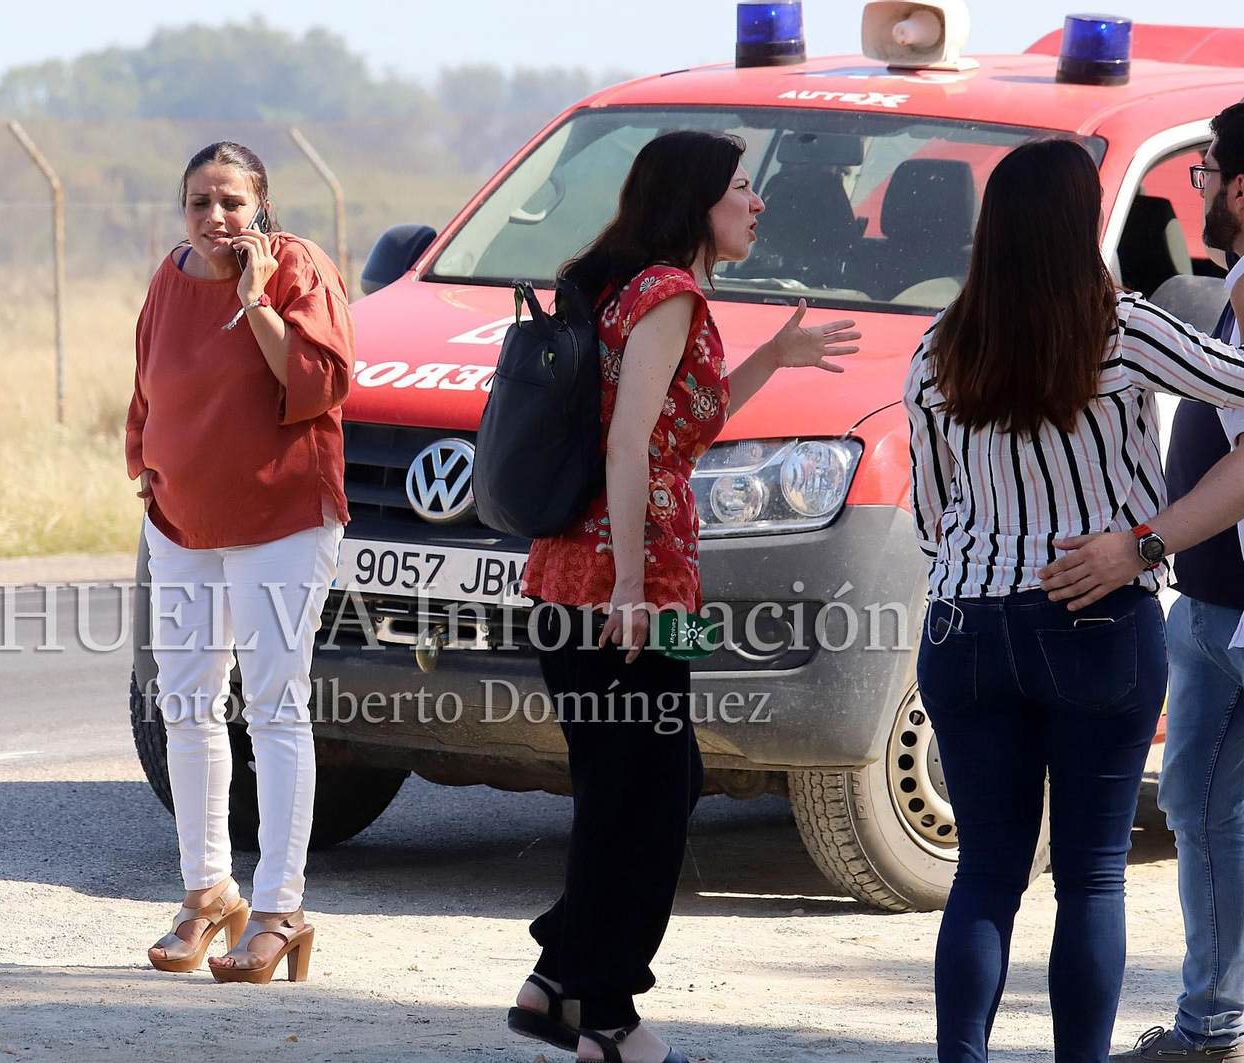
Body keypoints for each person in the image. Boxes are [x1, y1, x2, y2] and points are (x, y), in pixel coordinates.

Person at [507, 129, 862, 1063]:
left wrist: (774, 359)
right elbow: (630, 448)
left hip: (588, 576)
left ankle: (563, 988)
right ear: (700, 201)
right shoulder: (670, 294)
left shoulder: (643, 290)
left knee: (634, 789)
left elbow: (673, 435)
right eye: (744, 187)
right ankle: (606, 1013)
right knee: (650, 797)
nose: (758, 202)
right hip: (628, 583)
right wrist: (628, 584)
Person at [906, 136, 1244, 1063]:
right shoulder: (1123, 328)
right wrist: (1143, 540)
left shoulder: (937, 348)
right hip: (1096, 613)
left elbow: (934, 515)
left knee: (984, 875)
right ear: (1079, 225)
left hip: (966, 623)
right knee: (1092, 878)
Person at [1036, 104, 1244, 1063]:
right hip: (1210, 607)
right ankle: (1214, 1022)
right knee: (1202, 814)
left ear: (1241, 189)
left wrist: (1143, 545)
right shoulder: (1232, 285)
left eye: (1202, 173)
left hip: (1205, 594)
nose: (1193, 191)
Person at [126, 141, 354, 984]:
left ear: (261, 204)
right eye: (198, 203)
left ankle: (281, 906)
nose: (214, 219)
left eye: (230, 202)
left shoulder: (299, 268)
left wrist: (255, 300)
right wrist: (142, 460)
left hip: (282, 519)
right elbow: (148, 378)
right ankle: (206, 890)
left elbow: (320, 383)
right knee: (185, 701)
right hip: (182, 519)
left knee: (273, 708)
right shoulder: (169, 275)